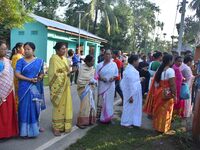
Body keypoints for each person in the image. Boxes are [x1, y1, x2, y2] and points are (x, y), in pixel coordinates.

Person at [15, 42, 45, 138]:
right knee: (23, 109)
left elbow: (41, 72)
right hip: (24, 87)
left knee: (35, 108)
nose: (26, 51)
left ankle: (34, 128)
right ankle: (23, 131)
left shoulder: (39, 61)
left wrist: (39, 77)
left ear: (33, 50)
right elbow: (17, 74)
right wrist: (29, 79)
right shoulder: (20, 61)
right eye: (25, 49)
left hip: (35, 87)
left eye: (29, 49)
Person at [144, 54, 176, 133]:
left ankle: (157, 126)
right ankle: (163, 128)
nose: (173, 61)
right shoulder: (170, 71)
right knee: (166, 111)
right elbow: (172, 84)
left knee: (158, 109)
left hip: (158, 92)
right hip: (166, 93)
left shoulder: (160, 69)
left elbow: (156, 82)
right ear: (169, 61)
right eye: (172, 60)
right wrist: (174, 94)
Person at [48, 42, 73, 136]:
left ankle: (64, 125)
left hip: (66, 86)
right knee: (58, 106)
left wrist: (69, 73)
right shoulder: (53, 59)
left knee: (66, 105)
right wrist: (66, 74)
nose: (64, 50)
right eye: (62, 49)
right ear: (57, 50)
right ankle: (56, 127)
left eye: (65, 48)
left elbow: (66, 72)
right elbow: (53, 74)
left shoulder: (65, 59)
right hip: (58, 88)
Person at [0, 40, 18, 139]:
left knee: (8, 113)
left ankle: (9, 132)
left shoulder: (8, 61)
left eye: (5, 49)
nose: (4, 51)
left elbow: (11, 75)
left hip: (8, 91)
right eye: (2, 49)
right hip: (1, 91)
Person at [95, 49, 118, 123]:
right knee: (101, 101)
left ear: (111, 55)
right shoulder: (99, 65)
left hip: (110, 86)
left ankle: (108, 117)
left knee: (109, 102)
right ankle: (100, 117)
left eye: (109, 54)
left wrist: (113, 78)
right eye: (106, 54)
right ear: (104, 55)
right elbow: (96, 76)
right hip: (102, 86)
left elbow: (116, 75)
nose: (108, 55)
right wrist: (101, 78)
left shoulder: (114, 64)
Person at [120, 55, 143, 127]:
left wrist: (139, 79)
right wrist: (130, 96)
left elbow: (133, 81)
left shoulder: (130, 69)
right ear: (134, 61)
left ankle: (131, 121)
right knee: (128, 108)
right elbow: (130, 84)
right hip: (131, 93)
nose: (138, 63)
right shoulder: (130, 70)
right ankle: (126, 122)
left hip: (133, 92)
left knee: (132, 108)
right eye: (137, 61)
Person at [76, 55, 96, 129]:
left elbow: (92, 78)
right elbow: (80, 80)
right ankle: (80, 122)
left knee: (90, 105)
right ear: (87, 61)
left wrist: (93, 81)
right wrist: (89, 81)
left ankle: (90, 120)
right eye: (92, 61)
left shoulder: (92, 68)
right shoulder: (82, 68)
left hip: (90, 89)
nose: (93, 63)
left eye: (94, 61)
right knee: (84, 106)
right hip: (83, 89)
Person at [10, 42, 24, 111]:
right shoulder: (17, 56)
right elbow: (16, 69)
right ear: (18, 48)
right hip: (18, 78)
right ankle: (17, 110)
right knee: (18, 94)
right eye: (23, 48)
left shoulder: (20, 56)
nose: (24, 50)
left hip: (19, 78)